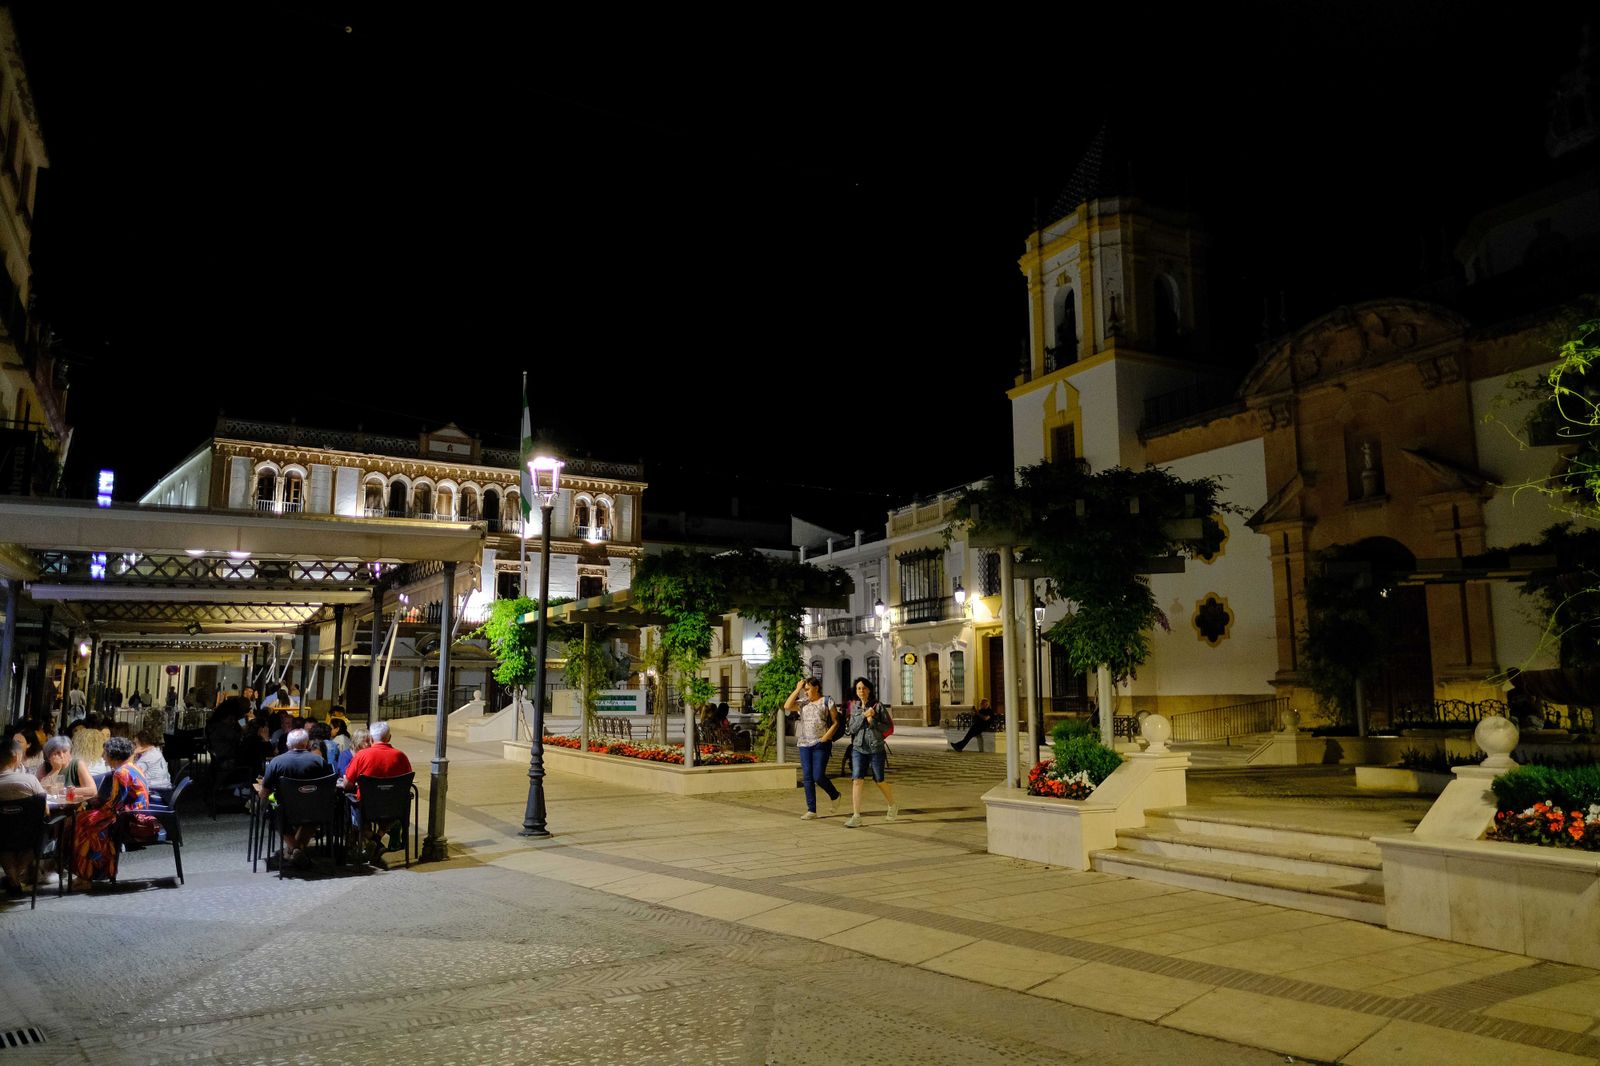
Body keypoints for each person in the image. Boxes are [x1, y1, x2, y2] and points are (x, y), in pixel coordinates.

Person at [72, 736, 150, 883]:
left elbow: (114, 804)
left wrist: (96, 805)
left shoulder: (122, 773)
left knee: (84, 824)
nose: (104, 757)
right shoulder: (133, 767)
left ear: (113, 755)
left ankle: (88, 874)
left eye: (105, 754)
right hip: (135, 812)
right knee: (84, 819)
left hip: (129, 817)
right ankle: (93, 871)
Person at [337, 721, 411, 861]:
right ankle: (378, 839)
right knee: (390, 815)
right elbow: (407, 782)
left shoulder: (361, 756)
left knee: (351, 806)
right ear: (389, 738)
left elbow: (347, 785)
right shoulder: (401, 756)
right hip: (394, 808)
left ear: (371, 739)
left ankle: (373, 841)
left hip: (366, 808)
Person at [257, 728, 330, 868]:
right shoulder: (319, 761)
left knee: (273, 808)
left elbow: (265, 792)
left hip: (284, 810)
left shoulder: (277, 762)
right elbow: (327, 786)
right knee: (315, 814)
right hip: (313, 808)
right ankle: (297, 849)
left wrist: (262, 804)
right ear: (307, 744)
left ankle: (294, 849)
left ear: (288, 744)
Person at [0, 733, 54, 893]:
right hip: (29, 836)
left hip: (1, 834)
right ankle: (17, 875)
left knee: (4, 845)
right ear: (16, 757)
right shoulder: (29, 780)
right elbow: (45, 810)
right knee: (39, 836)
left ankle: (13, 879)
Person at [784, 677, 842, 819]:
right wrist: (798, 689)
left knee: (818, 776)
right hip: (804, 744)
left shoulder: (827, 701)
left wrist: (826, 737)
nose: (806, 692)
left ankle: (834, 795)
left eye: (808, 689)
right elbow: (787, 706)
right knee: (807, 777)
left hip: (820, 744)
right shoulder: (803, 703)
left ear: (816, 687)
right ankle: (812, 810)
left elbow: (836, 722)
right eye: (805, 690)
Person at [844, 676, 896, 828]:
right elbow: (851, 729)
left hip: (875, 747)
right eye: (859, 688)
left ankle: (892, 805)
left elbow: (887, 727)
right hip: (858, 748)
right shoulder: (854, 707)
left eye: (864, 688)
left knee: (879, 780)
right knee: (857, 779)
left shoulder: (878, 706)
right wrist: (863, 716)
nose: (861, 691)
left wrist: (872, 721)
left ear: (869, 690)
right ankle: (856, 815)